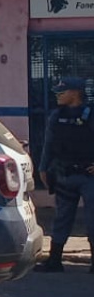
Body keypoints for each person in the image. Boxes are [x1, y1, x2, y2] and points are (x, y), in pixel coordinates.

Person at [36, 77, 94, 273]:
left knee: (92, 219)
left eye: (63, 91)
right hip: (65, 174)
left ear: (76, 93)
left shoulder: (91, 114)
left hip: (89, 176)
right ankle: (54, 260)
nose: (58, 95)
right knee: (62, 217)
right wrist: (43, 169)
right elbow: (49, 144)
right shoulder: (56, 116)